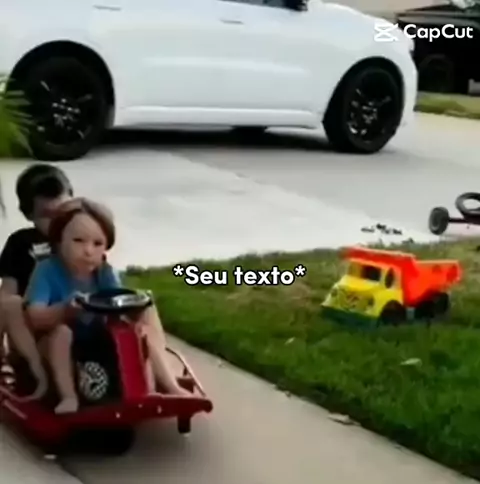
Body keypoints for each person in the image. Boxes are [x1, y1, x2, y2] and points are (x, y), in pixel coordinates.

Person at [24, 197, 187, 415]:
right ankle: (68, 396)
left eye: (97, 244)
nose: (88, 251)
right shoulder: (47, 270)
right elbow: (33, 317)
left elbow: (117, 301)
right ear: (59, 240)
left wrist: (133, 307)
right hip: (57, 345)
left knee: (141, 323)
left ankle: (166, 384)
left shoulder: (104, 272)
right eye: (78, 241)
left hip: (97, 341)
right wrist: (64, 311)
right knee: (61, 333)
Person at [0, 164, 74, 400]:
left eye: (62, 212)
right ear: (28, 214)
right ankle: (29, 370)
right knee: (8, 302)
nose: (56, 222)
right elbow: (6, 296)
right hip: (32, 332)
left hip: (75, 322)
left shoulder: (81, 239)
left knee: (142, 303)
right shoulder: (20, 243)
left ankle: (156, 378)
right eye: (46, 215)